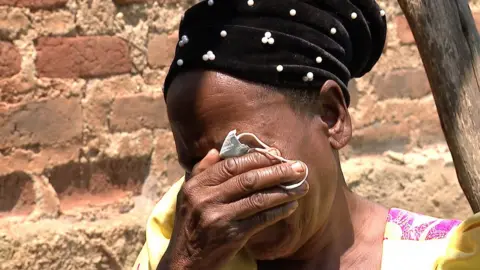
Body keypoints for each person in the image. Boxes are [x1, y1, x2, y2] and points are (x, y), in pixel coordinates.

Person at [133, 0, 480, 269]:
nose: (215, 189)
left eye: (240, 153)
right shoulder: (180, 243)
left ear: (332, 117)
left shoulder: (441, 258)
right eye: (193, 165)